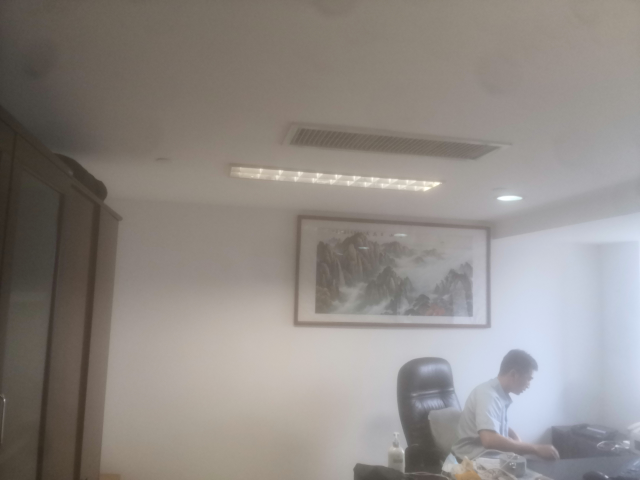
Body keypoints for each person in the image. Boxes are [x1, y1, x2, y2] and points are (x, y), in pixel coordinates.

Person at [451, 349, 560, 461]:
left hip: (487, 459)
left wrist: (513, 435)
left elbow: (492, 423)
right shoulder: (488, 395)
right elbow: (489, 440)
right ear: (513, 374)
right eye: (528, 379)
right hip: (469, 461)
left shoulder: (496, 393)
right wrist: (535, 449)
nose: (528, 385)